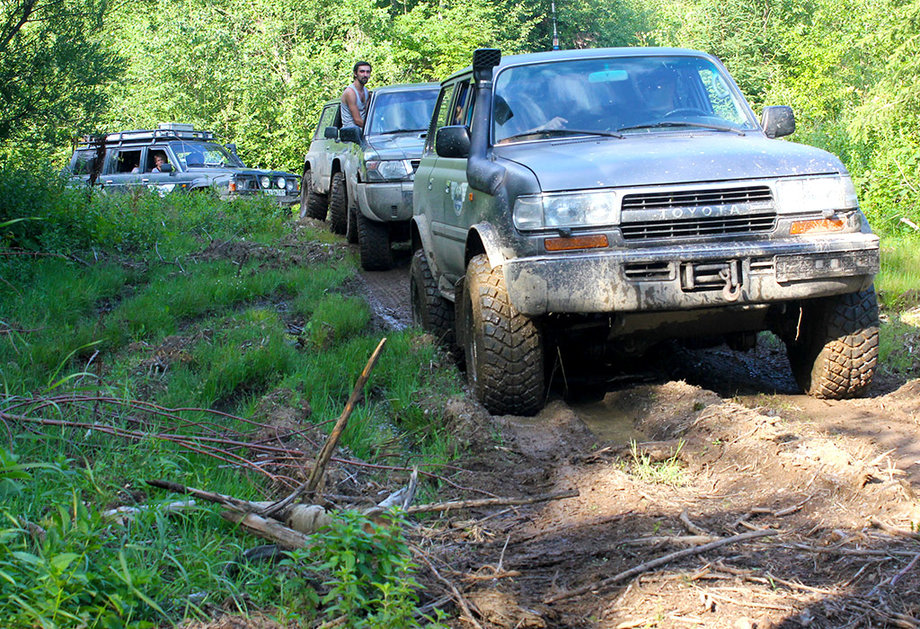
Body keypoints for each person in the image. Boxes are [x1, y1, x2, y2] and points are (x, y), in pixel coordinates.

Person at [341, 61, 372, 129]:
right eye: (362, 71)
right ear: (355, 73)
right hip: (351, 133)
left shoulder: (366, 91)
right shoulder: (350, 92)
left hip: (365, 132)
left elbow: (369, 114)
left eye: (368, 72)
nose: (365, 75)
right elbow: (357, 120)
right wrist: (373, 127)